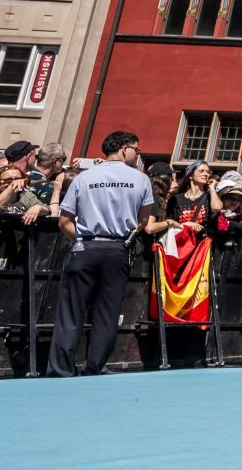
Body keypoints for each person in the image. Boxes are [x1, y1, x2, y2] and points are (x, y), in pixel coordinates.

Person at [48, 131, 155, 377]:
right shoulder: (140, 180)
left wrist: (83, 241)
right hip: (118, 248)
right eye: (136, 150)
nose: (137, 155)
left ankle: (60, 369)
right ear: (124, 148)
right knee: (107, 314)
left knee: (70, 312)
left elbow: (64, 221)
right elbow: (143, 220)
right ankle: (94, 367)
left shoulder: (85, 178)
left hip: (85, 246)